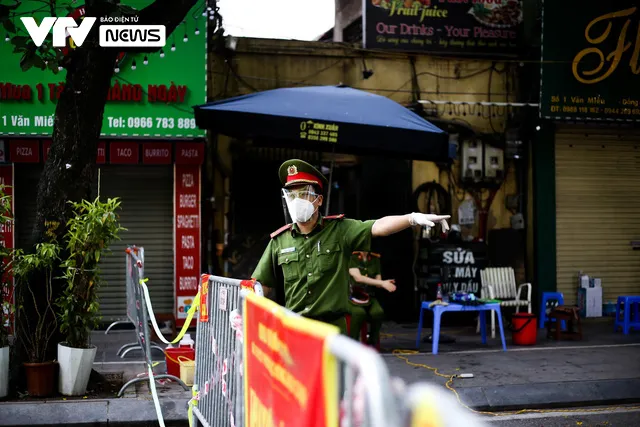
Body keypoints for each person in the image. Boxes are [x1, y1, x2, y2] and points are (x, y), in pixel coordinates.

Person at [252, 159, 450, 335]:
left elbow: (379, 226)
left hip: (332, 332)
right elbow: (260, 285)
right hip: (296, 331)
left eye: (303, 194)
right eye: (292, 195)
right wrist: (243, 310)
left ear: (318, 200)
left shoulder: (340, 230)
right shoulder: (279, 240)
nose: (297, 201)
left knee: (334, 378)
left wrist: (413, 218)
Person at [347, 251, 395, 345]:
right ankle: (353, 343)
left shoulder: (375, 258)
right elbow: (358, 278)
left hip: (369, 296)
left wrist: (385, 283)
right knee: (359, 313)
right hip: (353, 296)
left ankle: (372, 340)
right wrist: (382, 283)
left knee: (378, 312)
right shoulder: (351, 257)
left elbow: (378, 282)